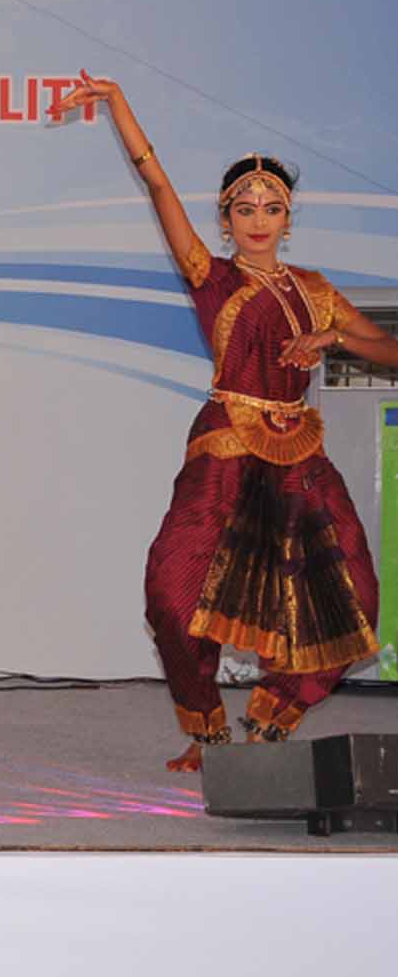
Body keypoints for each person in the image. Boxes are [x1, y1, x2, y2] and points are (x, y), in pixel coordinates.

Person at [51, 72, 394, 772]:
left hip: (298, 454)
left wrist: (331, 338)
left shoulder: (317, 292)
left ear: (289, 219)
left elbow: (389, 348)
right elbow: (156, 185)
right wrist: (117, 104)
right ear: (225, 220)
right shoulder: (211, 276)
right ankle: (207, 732)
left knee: (353, 597)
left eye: (272, 207)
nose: (258, 218)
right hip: (225, 448)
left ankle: (269, 720)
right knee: (172, 591)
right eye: (244, 207)